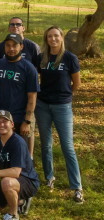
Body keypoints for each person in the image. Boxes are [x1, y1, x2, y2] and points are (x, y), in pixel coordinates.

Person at [35, 26, 83, 203]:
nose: (53, 39)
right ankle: (49, 178)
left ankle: (77, 187)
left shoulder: (70, 58)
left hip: (62, 106)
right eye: (50, 36)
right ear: (46, 39)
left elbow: (76, 84)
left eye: (56, 36)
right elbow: (35, 77)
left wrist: (64, 95)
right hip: (42, 106)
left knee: (67, 146)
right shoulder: (41, 58)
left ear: (62, 38)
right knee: (46, 144)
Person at [0, 110, 39, 220]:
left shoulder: (17, 142)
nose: (2, 124)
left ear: (12, 124)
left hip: (27, 180)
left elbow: (15, 172)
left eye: (5, 121)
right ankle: (19, 200)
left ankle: (13, 214)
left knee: (6, 182)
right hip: (8, 180)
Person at [0, 34, 39, 157]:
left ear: (21, 46)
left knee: (17, 153)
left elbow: (32, 97)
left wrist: (27, 121)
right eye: (8, 46)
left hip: (18, 117)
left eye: (14, 45)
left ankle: (16, 176)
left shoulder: (29, 68)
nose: (11, 49)